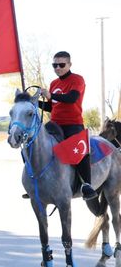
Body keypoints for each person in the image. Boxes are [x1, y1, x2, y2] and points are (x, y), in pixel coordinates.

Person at [38, 51, 97, 200]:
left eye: (61, 65)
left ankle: (86, 185)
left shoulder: (77, 79)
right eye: (54, 65)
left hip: (73, 124)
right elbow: (52, 107)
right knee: (36, 144)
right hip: (54, 125)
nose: (58, 68)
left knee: (80, 151)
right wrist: (34, 104)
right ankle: (36, 182)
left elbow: (72, 98)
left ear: (69, 64)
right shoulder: (53, 83)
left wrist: (52, 96)